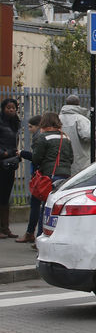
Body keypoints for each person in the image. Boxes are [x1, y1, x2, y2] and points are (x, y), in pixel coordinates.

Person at [59, 94, 96, 175]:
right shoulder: (80, 119)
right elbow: (88, 135)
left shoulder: (58, 119)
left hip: (63, 164)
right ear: (78, 104)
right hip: (81, 163)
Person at [15, 115, 41, 243]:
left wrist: (22, 153)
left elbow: (36, 157)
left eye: (31, 127)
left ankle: (31, 233)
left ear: (38, 126)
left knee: (36, 204)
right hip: (45, 174)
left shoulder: (39, 138)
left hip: (40, 175)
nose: (29, 129)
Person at [0, 98, 21, 239]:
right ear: (3, 109)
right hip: (2, 160)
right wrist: (4, 153)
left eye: (13, 107)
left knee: (6, 196)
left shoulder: (16, 123)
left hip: (10, 163)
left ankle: (5, 227)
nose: (11, 110)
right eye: (8, 107)